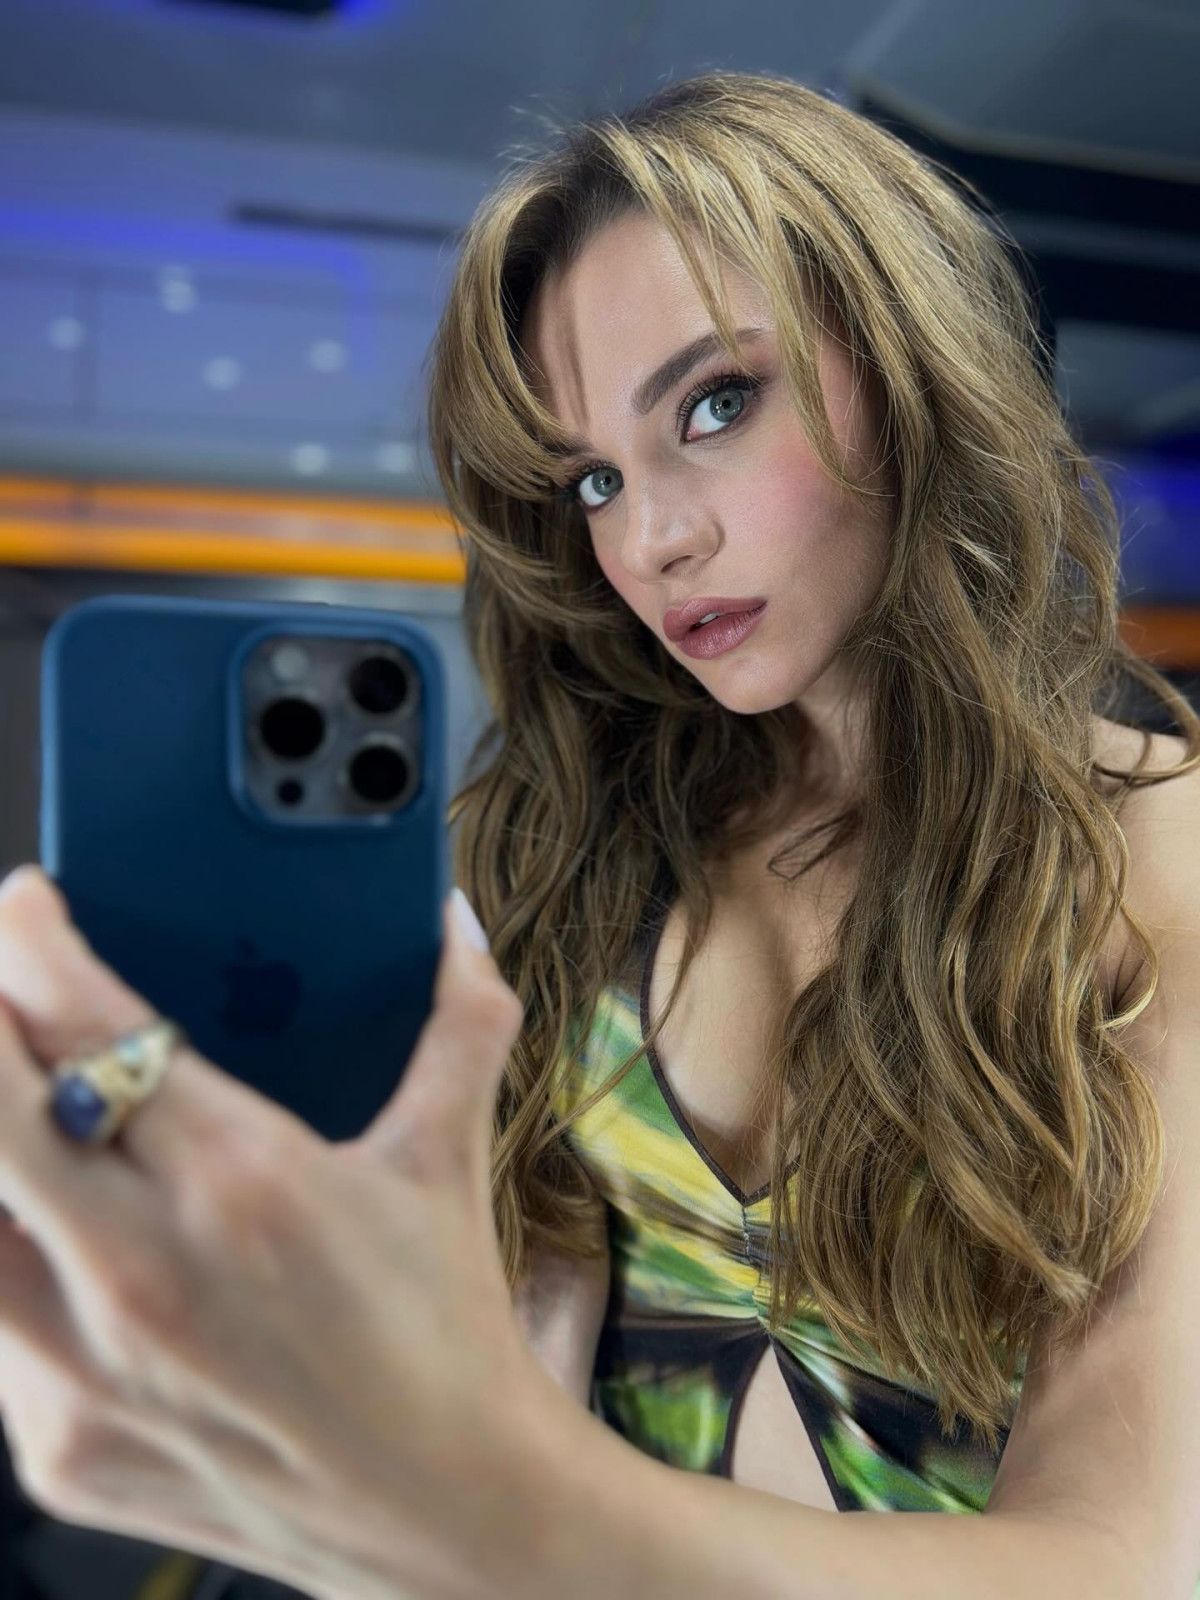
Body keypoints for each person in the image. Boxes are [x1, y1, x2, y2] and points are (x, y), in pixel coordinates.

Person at [1, 67, 1200, 1600]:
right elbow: (529, 1346)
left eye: (716, 404)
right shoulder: (595, 842)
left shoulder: (1151, 855)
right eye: (591, 479)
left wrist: (462, 1512)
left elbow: (1124, 1563)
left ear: (917, 369)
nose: (650, 538)